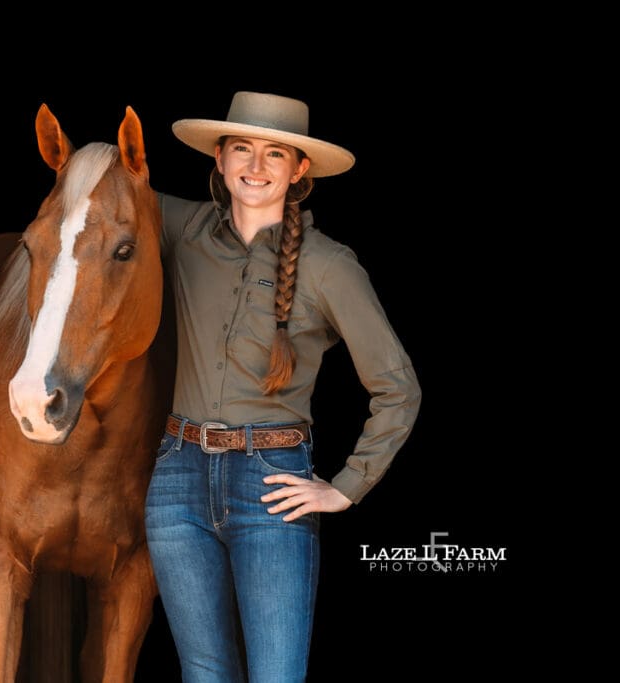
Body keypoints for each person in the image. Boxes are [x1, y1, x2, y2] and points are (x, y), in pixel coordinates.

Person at [144, 91, 421, 681]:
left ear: (300, 171)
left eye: (276, 154)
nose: (256, 166)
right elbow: (101, 197)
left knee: (276, 674)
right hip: (176, 480)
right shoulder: (182, 228)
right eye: (241, 148)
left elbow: (398, 387)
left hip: (271, 484)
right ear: (217, 158)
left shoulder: (329, 265)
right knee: (204, 673)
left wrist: (345, 488)